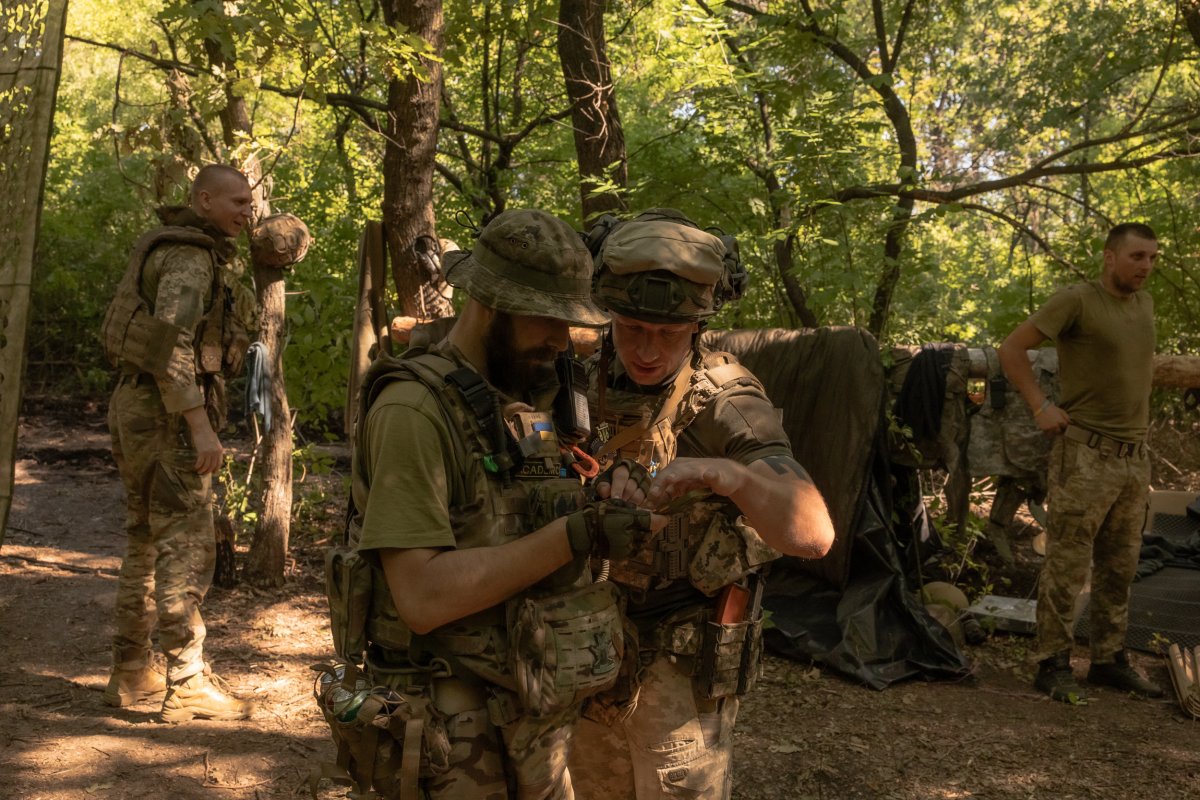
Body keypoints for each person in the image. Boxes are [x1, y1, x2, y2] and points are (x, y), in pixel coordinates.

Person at [339, 209, 662, 799]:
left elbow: (516, 508)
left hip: (527, 712)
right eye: (547, 320)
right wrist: (576, 535)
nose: (562, 341)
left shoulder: (519, 394)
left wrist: (602, 490)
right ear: (491, 305)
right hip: (449, 732)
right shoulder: (413, 411)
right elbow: (422, 596)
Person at [568, 210, 836, 799]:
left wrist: (728, 475)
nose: (647, 349)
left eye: (669, 334)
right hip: (584, 637)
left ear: (699, 326)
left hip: (677, 660)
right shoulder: (579, 376)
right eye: (632, 327)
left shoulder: (728, 401)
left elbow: (813, 533)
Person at [100, 164, 258, 722]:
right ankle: (187, 683)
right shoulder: (191, 258)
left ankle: (130, 671)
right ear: (204, 199)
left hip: (135, 405)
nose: (246, 211)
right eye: (236, 201)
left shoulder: (179, 247)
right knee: (185, 544)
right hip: (167, 416)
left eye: (250, 202)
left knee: (144, 536)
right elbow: (172, 347)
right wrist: (200, 426)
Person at [999, 222, 1164, 703]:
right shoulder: (1077, 300)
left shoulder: (1145, 304)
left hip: (1135, 459)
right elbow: (1012, 348)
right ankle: (1051, 662)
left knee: (1121, 566)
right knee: (1068, 562)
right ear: (1110, 257)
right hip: (1086, 454)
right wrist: (1040, 406)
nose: (1146, 267)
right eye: (1137, 257)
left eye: (1152, 258)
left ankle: (1109, 660)